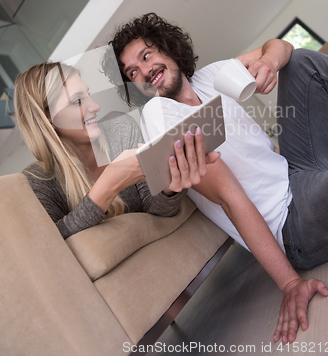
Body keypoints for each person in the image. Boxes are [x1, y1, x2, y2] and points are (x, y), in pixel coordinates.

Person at [103, 12, 328, 345]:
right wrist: (289, 283)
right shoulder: (160, 114)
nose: (144, 70)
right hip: (290, 221)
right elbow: (229, 196)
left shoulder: (211, 77)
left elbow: (280, 45)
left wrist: (268, 61)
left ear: (168, 48)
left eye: (146, 55)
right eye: (132, 72)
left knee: (301, 63)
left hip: (295, 169)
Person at [13, 61, 219, 240]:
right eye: (77, 101)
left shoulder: (119, 127)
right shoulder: (35, 182)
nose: (95, 106)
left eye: (88, 95)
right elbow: (54, 249)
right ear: (47, 118)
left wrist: (170, 187)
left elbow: (158, 210)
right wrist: (109, 183)